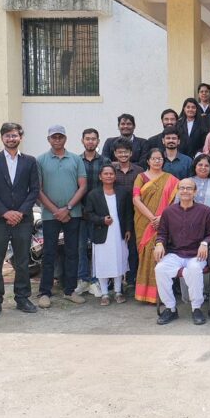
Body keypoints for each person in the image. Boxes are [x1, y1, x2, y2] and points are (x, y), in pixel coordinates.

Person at [0, 123, 41, 318]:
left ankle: (23, 297)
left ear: (20, 138)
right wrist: (5, 213)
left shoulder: (30, 161)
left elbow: (34, 189)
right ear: (2, 138)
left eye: (15, 135)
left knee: (23, 261)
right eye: (8, 135)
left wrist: (19, 212)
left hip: (23, 219)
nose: (11, 138)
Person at [153, 178, 210, 325]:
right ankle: (170, 308)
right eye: (182, 188)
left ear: (195, 192)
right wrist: (159, 244)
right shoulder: (169, 212)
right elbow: (162, 233)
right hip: (175, 253)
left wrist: (204, 243)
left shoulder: (204, 211)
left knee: (194, 268)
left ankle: (196, 308)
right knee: (160, 269)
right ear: (177, 191)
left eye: (189, 188)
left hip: (196, 254)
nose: (185, 191)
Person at [34, 125, 88, 309]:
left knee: (73, 252)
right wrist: (56, 210)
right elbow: (38, 189)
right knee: (49, 253)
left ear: (65, 138)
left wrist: (68, 208)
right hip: (50, 216)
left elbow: (82, 185)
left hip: (73, 214)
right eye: (54, 137)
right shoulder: (40, 160)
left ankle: (70, 290)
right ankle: (45, 292)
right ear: (48, 139)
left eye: (60, 137)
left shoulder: (75, 159)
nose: (57, 140)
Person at [131, 148, 179, 303]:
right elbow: (136, 199)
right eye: (154, 159)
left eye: (160, 159)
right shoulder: (141, 177)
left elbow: (174, 202)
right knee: (145, 254)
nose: (157, 161)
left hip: (163, 221)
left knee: (160, 255)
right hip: (144, 221)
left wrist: (162, 217)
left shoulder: (170, 179)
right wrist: (152, 218)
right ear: (148, 161)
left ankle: (161, 294)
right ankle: (145, 293)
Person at [84, 165, 133, 305]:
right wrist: (101, 220)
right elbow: (88, 214)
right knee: (103, 262)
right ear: (100, 176)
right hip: (101, 233)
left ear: (115, 176)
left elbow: (128, 212)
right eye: (105, 174)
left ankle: (118, 291)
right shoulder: (94, 194)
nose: (109, 176)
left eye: (111, 173)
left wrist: (128, 229)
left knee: (119, 261)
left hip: (119, 232)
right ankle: (105, 293)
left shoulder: (122, 192)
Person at [110, 138, 143, 292]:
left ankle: (131, 279)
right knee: (115, 247)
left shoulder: (139, 171)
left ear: (131, 153)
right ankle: (114, 280)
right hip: (114, 213)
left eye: (126, 151)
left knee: (133, 247)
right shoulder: (110, 170)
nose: (123, 154)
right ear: (115, 153)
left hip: (136, 213)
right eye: (119, 152)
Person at [76, 128, 104, 296]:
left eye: (94, 139)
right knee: (81, 247)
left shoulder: (105, 161)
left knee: (96, 247)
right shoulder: (76, 160)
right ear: (82, 141)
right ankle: (83, 279)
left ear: (98, 141)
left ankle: (95, 280)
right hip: (79, 211)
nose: (91, 142)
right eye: (88, 139)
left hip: (98, 212)